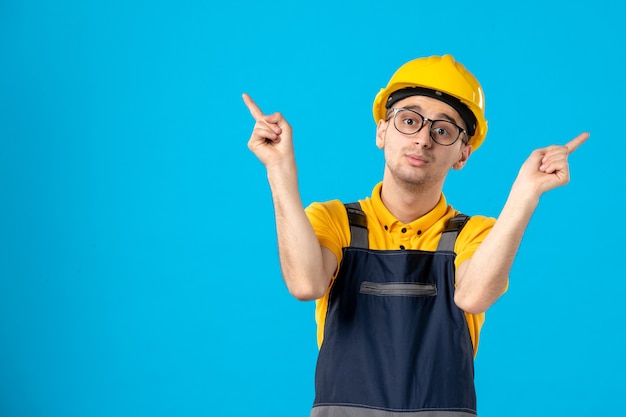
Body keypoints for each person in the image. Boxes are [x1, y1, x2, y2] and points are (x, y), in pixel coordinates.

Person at [243, 54, 588, 417]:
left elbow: (473, 296)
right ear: (381, 131)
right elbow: (305, 284)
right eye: (409, 120)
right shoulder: (335, 221)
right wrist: (279, 169)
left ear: (463, 153)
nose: (423, 139)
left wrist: (525, 193)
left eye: (443, 130)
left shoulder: (475, 234)